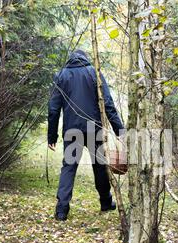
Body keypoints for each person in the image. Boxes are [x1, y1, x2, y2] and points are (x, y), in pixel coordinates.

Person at [47, 49, 124, 221]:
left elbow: (53, 108)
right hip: (93, 128)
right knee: (99, 165)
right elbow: (108, 103)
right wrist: (120, 131)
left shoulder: (62, 75)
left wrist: (52, 136)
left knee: (69, 166)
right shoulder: (94, 73)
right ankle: (106, 202)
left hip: (71, 130)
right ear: (85, 58)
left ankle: (61, 210)